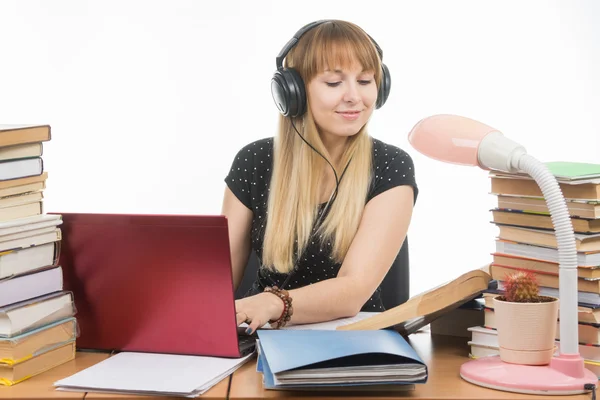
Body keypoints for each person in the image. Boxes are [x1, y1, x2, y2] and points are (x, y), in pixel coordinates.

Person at [222, 19, 418, 334]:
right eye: (333, 83)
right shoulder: (254, 162)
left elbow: (353, 291)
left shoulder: (390, 166)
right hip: (262, 341)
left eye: (366, 80)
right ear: (293, 92)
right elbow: (215, 286)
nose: (355, 96)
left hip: (356, 346)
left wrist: (274, 303)